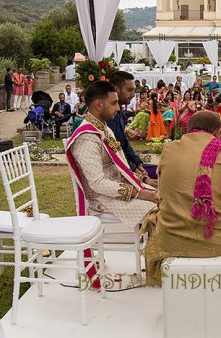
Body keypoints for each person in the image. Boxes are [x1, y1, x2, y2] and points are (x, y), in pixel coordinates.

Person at [141, 110, 221, 286]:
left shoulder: (169, 149)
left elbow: (164, 192)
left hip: (171, 236)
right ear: (219, 131)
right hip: (220, 238)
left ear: (189, 129)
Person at [65, 81, 157, 234]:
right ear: (99, 105)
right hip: (101, 199)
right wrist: (138, 193)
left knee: (164, 197)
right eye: (114, 103)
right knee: (158, 209)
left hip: (118, 189)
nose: (118, 108)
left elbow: (120, 165)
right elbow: (97, 183)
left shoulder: (103, 128)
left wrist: (143, 181)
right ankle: (154, 255)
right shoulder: (86, 137)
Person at [106, 71, 148, 177]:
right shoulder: (109, 116)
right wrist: (135, 171)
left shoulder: (119, 113)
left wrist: (138, 163)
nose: (133, 94)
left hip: (125, 165)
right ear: (116, 89)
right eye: (129, 90)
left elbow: (124, 143)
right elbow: (114, 151)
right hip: (115, 171)